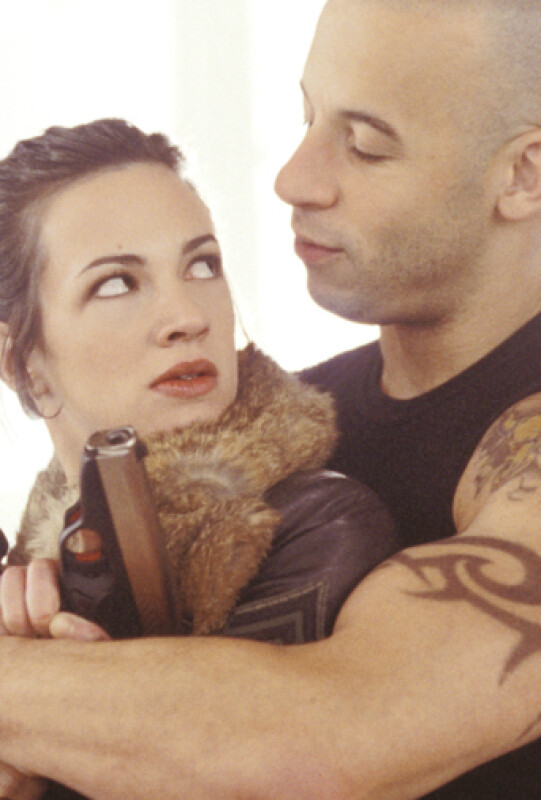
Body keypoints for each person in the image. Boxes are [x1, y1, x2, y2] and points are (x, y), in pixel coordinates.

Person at [0, 0, 540, 797]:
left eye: (364, 145)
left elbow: (332, 742)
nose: (293, 178)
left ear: (522, 175)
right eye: (307, 116)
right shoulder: (259, 431)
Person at [0, 118, 399, 799]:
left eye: (202, 264)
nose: (189, 314)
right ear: (23, 364)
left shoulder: (317, 525)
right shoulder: (34, 562)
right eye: (117, 283)